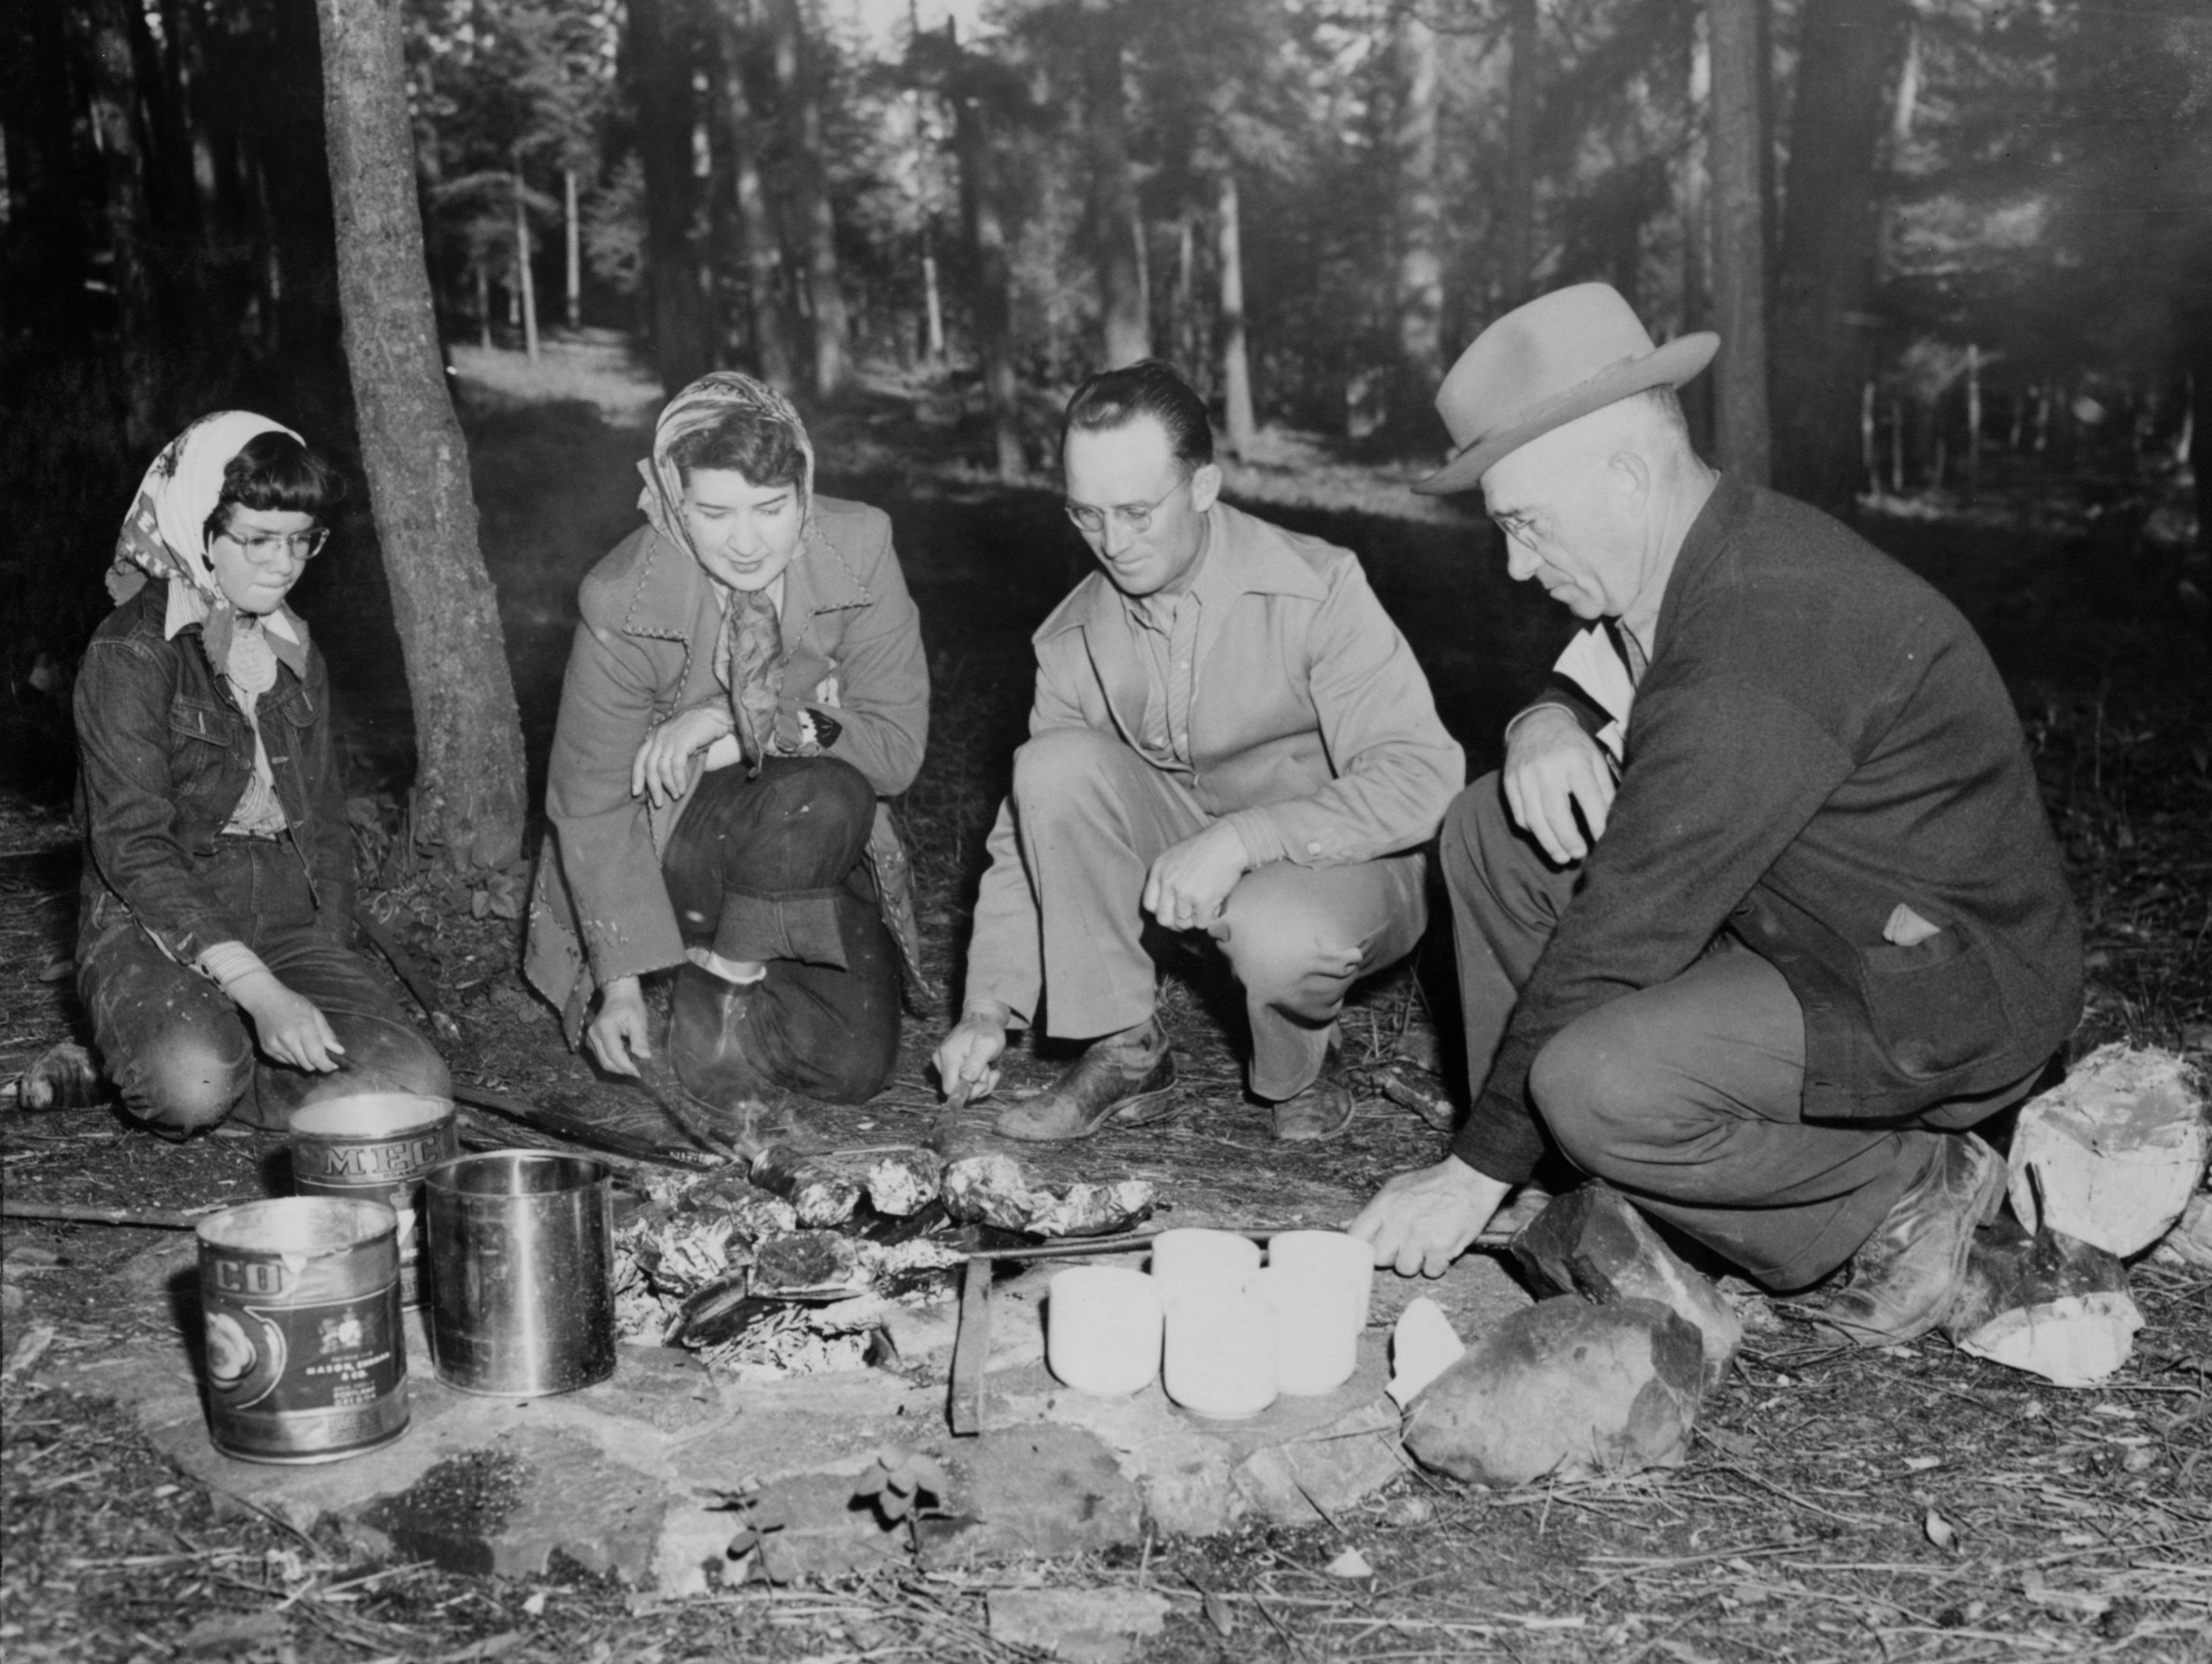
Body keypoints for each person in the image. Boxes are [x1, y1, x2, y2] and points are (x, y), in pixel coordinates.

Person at [1350, 284, 2082, 1344]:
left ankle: (1897, 1196)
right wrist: (1543, 718)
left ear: (1627, 474)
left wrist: (1467, 1168)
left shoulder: (1762, 636)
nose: (1514, 562)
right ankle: (1581, 1183)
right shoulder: (1705, 546)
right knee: (1491, 829)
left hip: (1940, 988)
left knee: (1596, 1083)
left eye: (1524, 524)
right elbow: (1622, 663)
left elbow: (1626, 929)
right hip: (1814, 919)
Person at [933, 361, 1462, 1143]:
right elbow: (1031, 831)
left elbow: (1424, 777)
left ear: (1205, 487)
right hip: (1185, 872)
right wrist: (987, 1008)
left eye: (1139, 512)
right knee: (1050, 766)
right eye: (1087, 514)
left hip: (1342, 862)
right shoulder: (1073, 635)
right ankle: (1126, 1047)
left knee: (1279, 931)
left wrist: (1246, 839)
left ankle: (1308, 1064)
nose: (1113, 544)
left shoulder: (1319, 586)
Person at [525, 373, 929, 1121]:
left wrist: (742, 722)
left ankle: (733, 965)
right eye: (715, 512)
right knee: (824, 788)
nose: (746, 542)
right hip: (671, 847)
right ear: (676, 498)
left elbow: (898, 747)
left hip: (799, 852)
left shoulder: (861, 546)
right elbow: (591, 802)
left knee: (849, 1068)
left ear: (804, 491)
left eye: (771, 509)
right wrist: (619, 983)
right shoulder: (622, 596)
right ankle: (712, 1006)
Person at [75, 412, 451, 1136]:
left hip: (283, 909)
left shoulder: (294, 652)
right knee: (193, 1086)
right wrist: (261, 992)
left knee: (414, 1085)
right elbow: (133, 848)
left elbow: (327, 825)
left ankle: (213, 1038)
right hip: (155, 914)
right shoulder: (131, 655)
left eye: (301, 541)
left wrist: (326, 971)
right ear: (200, 531)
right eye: (257, 540)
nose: (283, 565)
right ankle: (164, 1042)